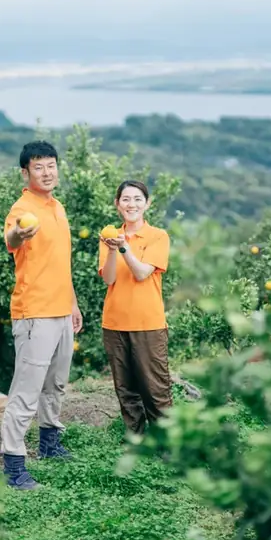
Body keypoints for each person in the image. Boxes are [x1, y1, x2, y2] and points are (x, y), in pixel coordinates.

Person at [0, 140, 83, 490]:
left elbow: (60, 263)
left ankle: (49, 444)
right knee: (27, 390)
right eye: (39, 167)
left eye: (51, 165)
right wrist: (19, 232)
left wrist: (74, 303)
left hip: (62, 310)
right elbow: (12, 238)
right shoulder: (22, 208)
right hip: (35, 313)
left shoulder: (57, 207)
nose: (47, 172)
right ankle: (14, 466)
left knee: (56, 383)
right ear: (25, 172)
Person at [98, 179, 172, 436]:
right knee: (126, 390)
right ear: (117, 205)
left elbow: (141, 273)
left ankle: (167, 445)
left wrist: (123, 248)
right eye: (126, 199)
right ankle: (137, 442)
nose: (132, 204)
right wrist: (110, 250)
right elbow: (109, 279)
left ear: (147, 203)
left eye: (138, 199)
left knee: (156, 389)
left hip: (148, 324)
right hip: (115, 324)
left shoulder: (158, 236)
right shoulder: (108, 236)